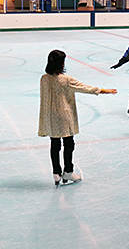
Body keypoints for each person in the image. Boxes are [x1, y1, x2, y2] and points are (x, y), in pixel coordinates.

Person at [38, 50, 117, 186]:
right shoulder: (66, 79)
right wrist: (103, 90)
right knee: (68, 143)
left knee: (55, 144)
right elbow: (84, 87)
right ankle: (68, 170)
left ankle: (56, 172)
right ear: (61, 63)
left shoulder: (44, 78)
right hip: (63, 116)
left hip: (50, 116)